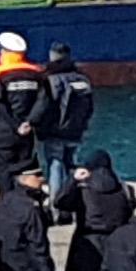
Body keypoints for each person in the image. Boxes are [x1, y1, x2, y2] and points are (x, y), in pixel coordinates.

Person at [58, 149, 132, 271]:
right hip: (115, 248)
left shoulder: (84, 191)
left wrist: (72, 180)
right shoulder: (124, 188)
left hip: (87, 248)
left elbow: (60, 202)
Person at [0, 32, 52, 197]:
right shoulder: (36, 74)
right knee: (26, 169)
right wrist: (29, 122)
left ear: (6, 52)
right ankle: (28, 202)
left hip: (5, 132)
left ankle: (8, 205)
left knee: (4, 171)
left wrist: (14, 127)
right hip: (27, 132)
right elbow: (43, 101)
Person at [40, 44, 96, 201]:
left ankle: (57, 205)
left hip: (56, 131)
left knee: (55, 165)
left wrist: (41, 128)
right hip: (76, 131)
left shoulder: (50, 79)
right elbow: (90, 107)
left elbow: (45, 106)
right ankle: (73, 202)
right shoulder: (82, 79)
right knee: (72, 165)